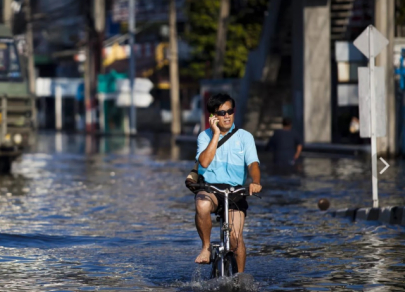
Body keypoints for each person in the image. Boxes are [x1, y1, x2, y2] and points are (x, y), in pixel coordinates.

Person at [194, 93, 262, 273]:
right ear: (213, 117)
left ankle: (239, 277)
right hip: (211, 188)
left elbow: (253, 164)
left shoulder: (245, 137)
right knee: (201, 204)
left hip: (236, 191)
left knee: (235, 238)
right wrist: (215, 134)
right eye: (221, 112)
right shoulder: (204, 136)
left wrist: (255, 182)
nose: (226, 116)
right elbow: (204, 163)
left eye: (229, 111)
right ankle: (206, 247)